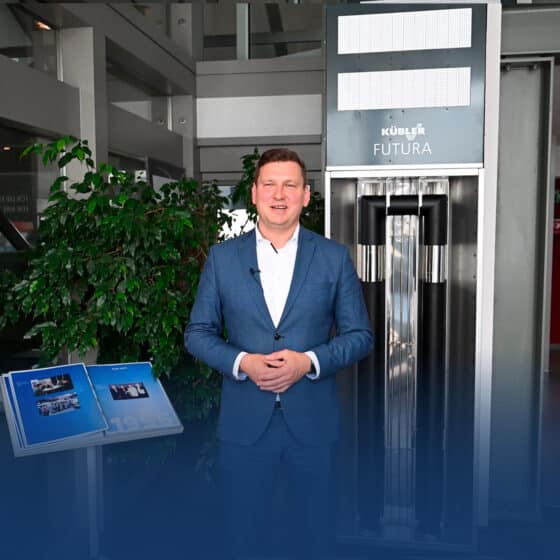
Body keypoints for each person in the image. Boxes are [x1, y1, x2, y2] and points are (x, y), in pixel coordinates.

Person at [184, 148, 373, 559]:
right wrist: (243, 362)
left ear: (306, 195)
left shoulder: (333, 258)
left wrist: (310, 362)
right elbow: (197, 333)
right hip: (243, 426)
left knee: (315, 534)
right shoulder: (222, 259)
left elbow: (360, 335)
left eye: (290, 184)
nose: (279, 194)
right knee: (242, 534)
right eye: (269, 184)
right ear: (253, 193)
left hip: (313, 423)